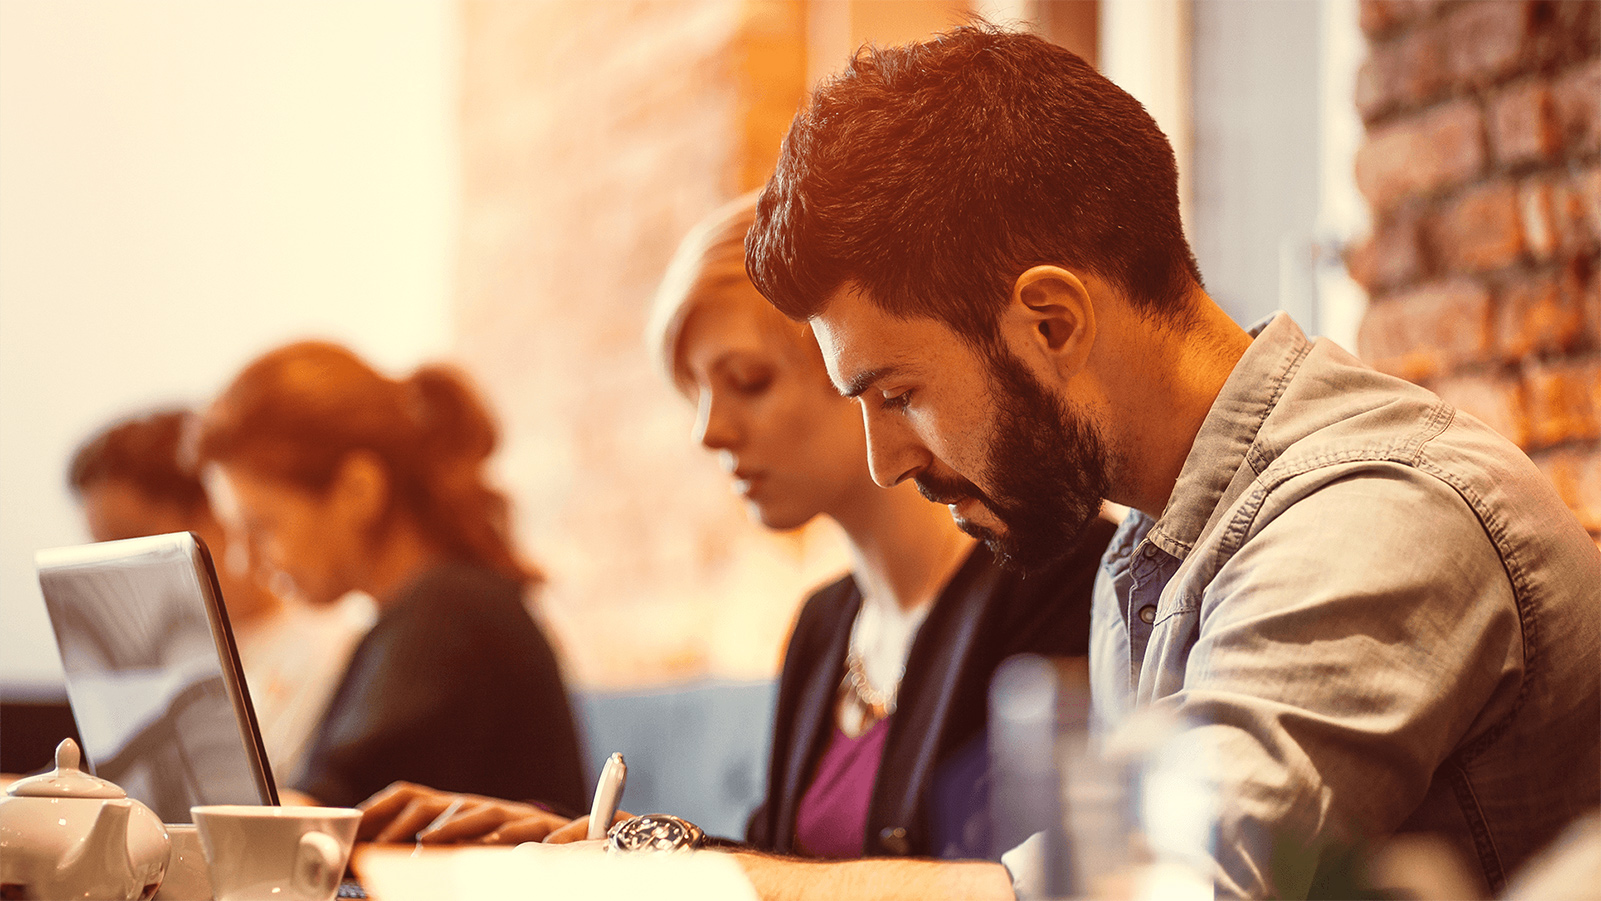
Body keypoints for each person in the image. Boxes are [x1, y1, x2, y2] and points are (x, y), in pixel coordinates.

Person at [721, 22, 1599, 901]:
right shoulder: (1141, 552)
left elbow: (1171, 888)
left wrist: (710, 886)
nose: (883, 462)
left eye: (898, 394)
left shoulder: (1370, 517)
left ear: (1052, 323)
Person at [356, 192, 1117, 858]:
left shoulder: (1056, 575)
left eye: (747, 382)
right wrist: (593, 845)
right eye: (694, 392)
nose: (708, 431)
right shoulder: (824, 626)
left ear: (851, 364)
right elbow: (780, 869)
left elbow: (1008, 881)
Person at [192, 341, 589, 813]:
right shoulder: (423, 612)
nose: (243, 562)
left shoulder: (448, 616)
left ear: (358, 489)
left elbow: (322, 817)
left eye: (262, 527)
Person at [67, 408, 365, 786]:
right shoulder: (156, 662)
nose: (115, 576)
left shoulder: (340, 642)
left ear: (214, 510)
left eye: (131, 539)